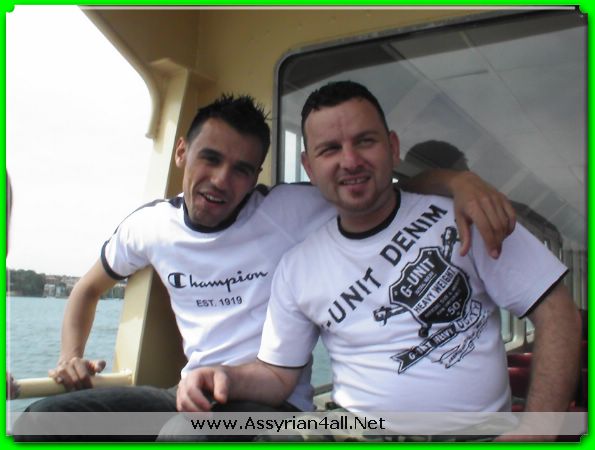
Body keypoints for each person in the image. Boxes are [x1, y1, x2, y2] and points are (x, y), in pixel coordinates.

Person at [15, 93, 515, 440]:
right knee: (39, 422)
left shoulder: (289, 209)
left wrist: (458, 182)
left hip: (275, 405)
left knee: (185, 436)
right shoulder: (149, 228)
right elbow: (88, 288)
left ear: (257, 176)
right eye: (210, 158)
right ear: (182, 152)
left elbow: (383, 189)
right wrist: (71, 355)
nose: (220, 180)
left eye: (241, 169)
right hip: (193, 391)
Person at [179, 82, 581, 441]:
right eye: (330, 149)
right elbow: (276, 375)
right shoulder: (296, 268)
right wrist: (223, 375)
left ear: (392, 147)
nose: (350, 160)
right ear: (309, 167)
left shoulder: (463, 215)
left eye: (365, 141)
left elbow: (556, 311)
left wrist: (537, 430)